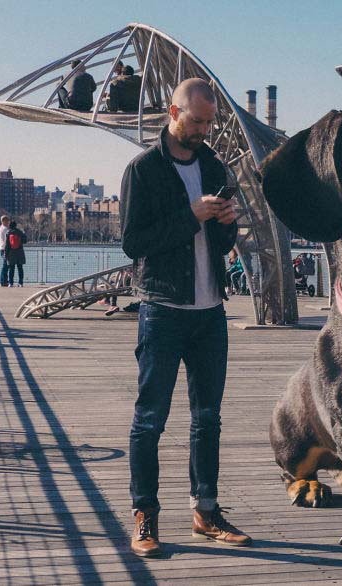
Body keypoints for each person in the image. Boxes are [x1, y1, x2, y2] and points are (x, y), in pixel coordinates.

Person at [120, 77, 246, 558]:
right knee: (150, 419)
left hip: (210, 311)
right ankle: (145, 516)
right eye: (197, 121)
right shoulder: (143, 170)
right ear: (173, 112)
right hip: (163, 310)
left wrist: (226, 223)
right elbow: (134, 243)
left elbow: (221, 245)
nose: (205, 129)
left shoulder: (214, 164)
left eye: (210, 121)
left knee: (208, 418)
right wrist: (193, 214)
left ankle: (206, 511)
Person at [3, 221, 27, 287]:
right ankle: (21, 283)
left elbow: (7, 245)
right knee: (20, 268)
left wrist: (6, 254)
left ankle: (10, 283)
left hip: (11, 252)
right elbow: (25, 241)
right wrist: (24, 233)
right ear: (15, 225)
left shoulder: (8, 233)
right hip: (20, 252)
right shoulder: (20, 232)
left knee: (11, 268)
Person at [0, 215, 11, 286]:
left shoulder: (1, 227)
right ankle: (3, 281)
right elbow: (7, 240)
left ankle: (4, 281)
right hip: (5, 248)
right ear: (3, 221)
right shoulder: (5, 229)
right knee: (5, 265)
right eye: (6, 221)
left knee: (5, 265)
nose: (8, 222)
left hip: (2, 248)